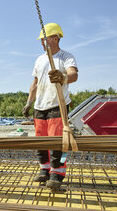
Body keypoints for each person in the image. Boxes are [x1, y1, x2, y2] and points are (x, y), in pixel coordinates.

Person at [22, 23, 78, 188]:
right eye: (41, 40)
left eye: (44, 38)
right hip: (40, 107)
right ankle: (44, 170)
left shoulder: (65, 57)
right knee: (40, 143)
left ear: (56, 38)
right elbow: (35, 83)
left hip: (57, 105)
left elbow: (73, 74)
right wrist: (28, 103)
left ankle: (57, 173)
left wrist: (63, 77)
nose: (42, 42)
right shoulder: (39, 60)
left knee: (57, 143)